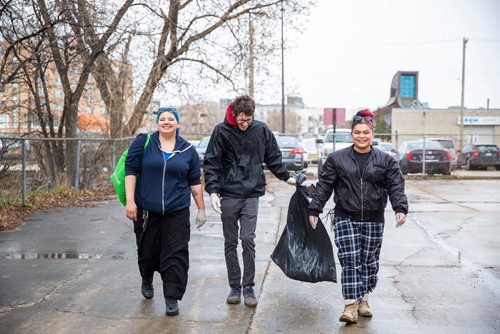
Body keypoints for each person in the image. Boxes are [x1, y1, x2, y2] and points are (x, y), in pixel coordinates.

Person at [308, 109, 408, 324]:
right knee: (350, 258)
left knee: (369, 261)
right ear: (351, 134)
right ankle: (350, 305)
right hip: (346, 216)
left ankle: (364, 299)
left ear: (373, 133)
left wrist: (400, 208)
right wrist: (315, 208)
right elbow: (325, 186)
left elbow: (396, 187)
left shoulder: (385, 160)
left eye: (366, 132)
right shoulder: (337, 158)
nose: (361, 136)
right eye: (357, 132)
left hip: (374, 218)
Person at [203, 95, 299, 308]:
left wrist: (286, 177)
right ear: (234, 114)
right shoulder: (221, 131)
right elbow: (211, 162)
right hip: (228, 193)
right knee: (230, 242)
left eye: (248, 120)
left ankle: (248, 287)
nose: (245, 124)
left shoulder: (261, 130)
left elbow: (273, 157)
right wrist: (212, 191)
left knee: (247, 239)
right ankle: (234, 287)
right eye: (241, 120)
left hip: (251, 193)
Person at [124, 107, 206, 316]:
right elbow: (131, 171)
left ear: (178, 124)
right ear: (157, 123)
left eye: (171, 119)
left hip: (176, 211)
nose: (167, 122)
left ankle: (172, 297)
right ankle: (147, 277)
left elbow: (195, 182)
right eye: (163, 119)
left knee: (175, 253)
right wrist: (130, 201)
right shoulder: (143, 143)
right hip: (147, 210)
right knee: (147, 250)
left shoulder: (188, 150)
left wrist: (201, 210)